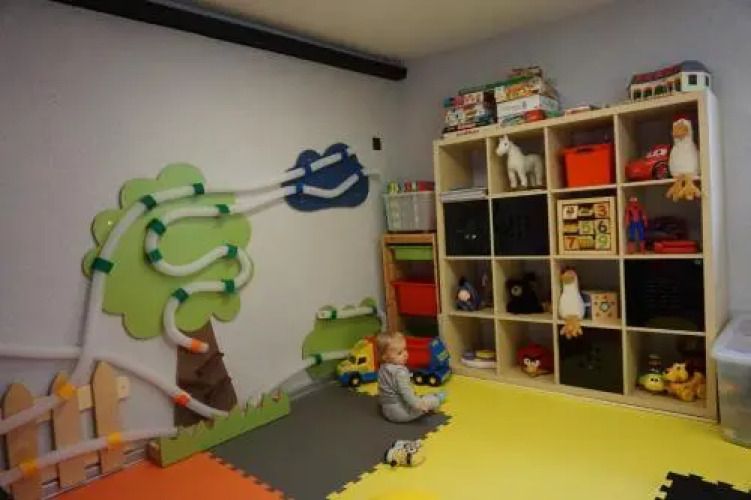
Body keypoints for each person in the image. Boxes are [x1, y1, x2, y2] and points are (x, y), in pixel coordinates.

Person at [376, 332, 446, 423]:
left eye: (405, 349)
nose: (405, 354)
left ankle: (424, 399)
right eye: (399, 353)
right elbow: (407, 394)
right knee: (427, 401)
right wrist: (419, 405)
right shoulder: (400, 372)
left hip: (386, 409)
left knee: (414, 397)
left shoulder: (382, 368)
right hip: (400, 414)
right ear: (386, 357)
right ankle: (436, 399)